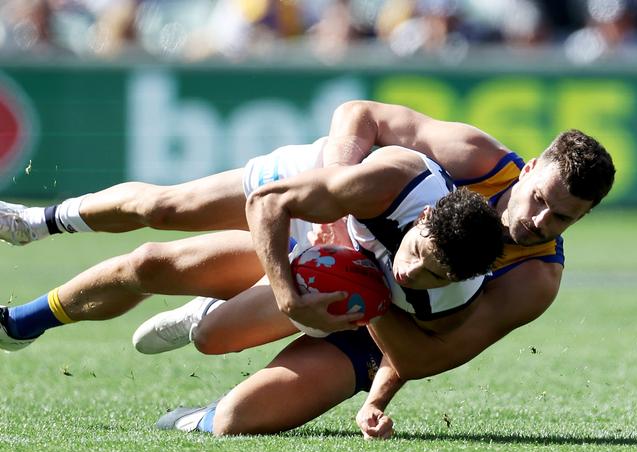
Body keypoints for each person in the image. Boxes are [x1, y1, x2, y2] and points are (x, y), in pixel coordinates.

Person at [0, 100, 615, 438]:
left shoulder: (535, 280)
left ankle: (214, 341)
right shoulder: (463, 161)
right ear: (530, 168)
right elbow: (358, 116)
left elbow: (428, 358)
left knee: (239, 422)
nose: (539, 222)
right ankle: (32, 250)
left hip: (378, 317)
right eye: (541, 199)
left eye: (563, 219)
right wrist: (333, 197)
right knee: (158, 233)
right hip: (325, 210)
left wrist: (372, 308)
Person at [0, 141, 502, 352]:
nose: (414, 274)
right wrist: (285, 293)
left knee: (155, 270)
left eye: (435, 276)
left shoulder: (450, 301)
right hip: (300, 201)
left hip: (333, 271)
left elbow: (416, 360)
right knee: (166, 210)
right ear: (427, 217)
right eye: (417, 253)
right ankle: (37, 222)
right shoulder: (396, 184)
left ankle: (24, 323)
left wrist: (362, 314)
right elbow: (268, 204)